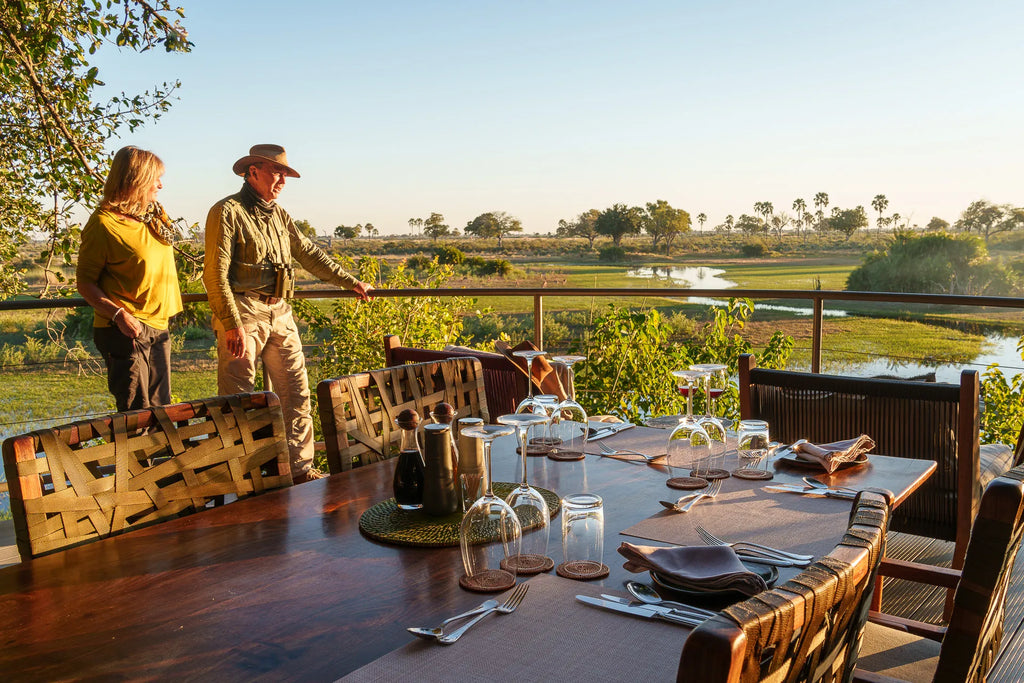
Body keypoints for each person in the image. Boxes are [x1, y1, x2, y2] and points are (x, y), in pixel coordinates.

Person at [204, 144, 373, 483]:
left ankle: (299, 469)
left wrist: (350, 282)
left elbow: (308, 253)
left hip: (280, 311)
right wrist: (230, 321)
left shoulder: (280, 215)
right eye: (275, 171)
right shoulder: (227, 211)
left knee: (296, 391)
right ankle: (244, 476)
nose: (282, 179)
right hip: (243, 310)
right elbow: (215, 274)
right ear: (252, 171)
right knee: (239, 400)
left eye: (285, 173)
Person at [77, 146, 183, 411]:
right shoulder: (103, 224)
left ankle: (162, 455)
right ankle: (133, 455)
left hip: (158, 326)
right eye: (155, 178)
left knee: (161, 411)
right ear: (136, 180)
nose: (160, 184)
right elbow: (85, 283)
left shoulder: (152, 217)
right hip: (126, 329)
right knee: (137, 413)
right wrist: (118, 315)